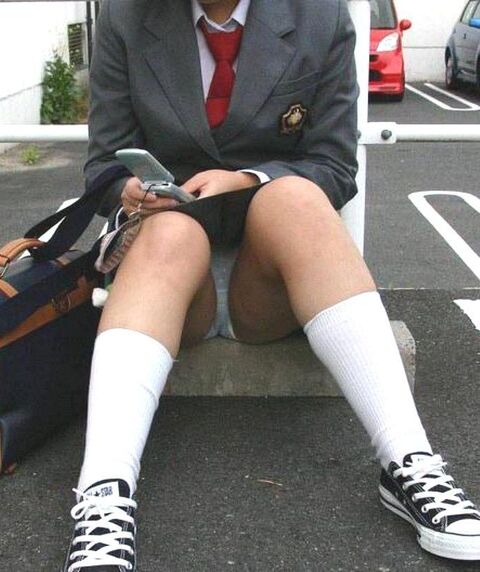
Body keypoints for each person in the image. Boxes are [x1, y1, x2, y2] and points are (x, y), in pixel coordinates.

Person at [63, 0, 480, 570]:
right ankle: (103, 499)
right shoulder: (127, 16)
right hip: (169, 272)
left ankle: (410, 464)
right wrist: (129, 190)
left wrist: (247, 180)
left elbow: (335, 164)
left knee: (296, 197)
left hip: (276, 277)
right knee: (169, 234)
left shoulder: (320, 15)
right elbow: (104, 166)